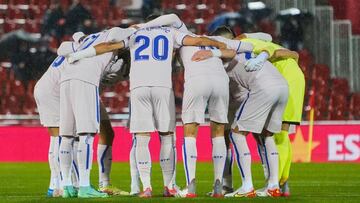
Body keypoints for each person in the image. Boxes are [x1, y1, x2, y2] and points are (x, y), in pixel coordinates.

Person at [67, 23, 227, 198]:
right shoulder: (171, 32)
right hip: (163, 87)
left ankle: (147, 187)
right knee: (166, 137)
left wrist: (79, 54)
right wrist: (218, 46)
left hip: (139, 88)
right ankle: (168, 187)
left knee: (142, 139)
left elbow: (110, 46)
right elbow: (196, 40)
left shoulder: (135, 32)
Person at [192, 27, 289, 198]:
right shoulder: (245, 45)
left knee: (237, 134)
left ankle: (247, 186)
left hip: (263, 87)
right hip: (282, 86)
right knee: (268, 135)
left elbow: (228, 52)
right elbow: (265, 37)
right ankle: (273, 186)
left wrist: (212, 54)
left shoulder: (226, 48)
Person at [58, 27, 135, 198]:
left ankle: (67, 187)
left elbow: (63, 47)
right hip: (85, 79)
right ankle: (85, 187)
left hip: (66, 79)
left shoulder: (87, 38)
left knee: (67, 136)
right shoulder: (116, 34)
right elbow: (115, 38)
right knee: (87, 135)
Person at [235, 35, 305, 197]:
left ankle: (275, 183)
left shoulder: (247, 44)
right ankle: (281, 182)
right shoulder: (263, 41)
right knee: (282, 132)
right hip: (294, 77)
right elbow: (294, 54)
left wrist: (267, 56)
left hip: (286, 80)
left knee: (278, 133)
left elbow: (278, 53)